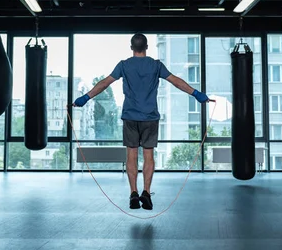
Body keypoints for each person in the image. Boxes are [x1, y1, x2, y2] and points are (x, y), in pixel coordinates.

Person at [73, 33, 209, 210]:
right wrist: (197, 94)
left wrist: (84, 98)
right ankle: (146, 191)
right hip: (150, 117)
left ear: (131, 48)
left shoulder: (124, 65)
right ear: (146, 47)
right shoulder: (156, 65)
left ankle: (133, 193)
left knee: (131, 155)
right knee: (148, 156)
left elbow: (105, 83)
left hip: (130, 116)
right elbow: (175, 81)